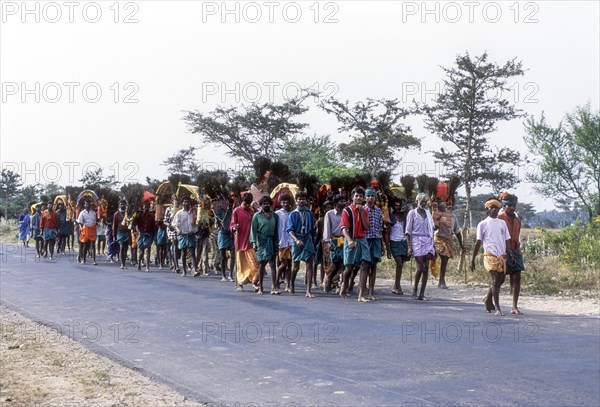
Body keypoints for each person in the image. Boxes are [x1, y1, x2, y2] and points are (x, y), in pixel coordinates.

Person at [470, 197, 511, 316]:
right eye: (492, 208)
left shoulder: (502, 223)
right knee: (494, 279)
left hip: (501, 255)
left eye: (496, 208)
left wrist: (509, 254)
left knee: (501, 280)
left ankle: (488, 298)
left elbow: (507, 240)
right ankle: (498, 308)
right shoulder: (482, 224)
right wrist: (472, 259)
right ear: (487, 210)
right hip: (489, 255)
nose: (494, 210)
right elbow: (478, 242)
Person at [339, 187, 371, 302]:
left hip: (362, 239)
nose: (358, 198)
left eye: (361, 196)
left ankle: (361, 294)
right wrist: (349, 240)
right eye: (356, 196)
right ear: (352, 197)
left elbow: (367, 227)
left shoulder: (364, 211)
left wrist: (362, 212)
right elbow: (344, 228)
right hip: (351, 239)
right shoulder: (347, 211)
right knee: (349, 267)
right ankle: (344, 286)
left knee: (364, 264)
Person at [498, 193, 525, 315]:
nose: (512, 208)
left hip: (515, 249)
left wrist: (518, 249)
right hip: (503, 249)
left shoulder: (518, 219)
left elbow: (517, 235)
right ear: (504, 206)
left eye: (513, 205)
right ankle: (489, 297)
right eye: (509, 205)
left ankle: (514, 306)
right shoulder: (499, 218)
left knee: (517, 275)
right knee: (500, 278)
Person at [405, 193, 435, 300]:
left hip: (427, 240)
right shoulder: (412, 213)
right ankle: (414, 290)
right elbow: (408, 231)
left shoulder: (428, 213)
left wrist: (433, 244)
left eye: (425, 201)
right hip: (416, 241)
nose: (423, 203)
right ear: (417, 201)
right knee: (420, 267)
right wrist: (409, 246)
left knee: (426, 268)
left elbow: (431, 229)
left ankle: (422, 294)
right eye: (421, 201)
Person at [287, 191, 316, 298]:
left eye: (303, 199)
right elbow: (289, 230)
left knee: (309, 265)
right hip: (297, 241)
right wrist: (296, 240)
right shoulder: (293, 214)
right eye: (299, 199)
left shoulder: (309, 213)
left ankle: (308, 290)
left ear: (306, 200)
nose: (301, 201)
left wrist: (313, 242)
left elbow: (313, 230)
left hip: (307, 240)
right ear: (296, 200)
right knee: (296, 267)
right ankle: (292, 285)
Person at [250, 196, 279, 295]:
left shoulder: (275, 216)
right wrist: (253, 242)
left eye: (268, 203)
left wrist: (277, 242)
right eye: (264, 203)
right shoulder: (256, 216)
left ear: (270, 204)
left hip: (272, 241)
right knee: (262, 264)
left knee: (273, 264)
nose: (266, 205)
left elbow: (276, 231)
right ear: (261, 205)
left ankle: (274, 288)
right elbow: (253, 230)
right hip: (261, 242)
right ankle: (261, 288)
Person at [231, 192, 259, 291]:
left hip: (251, 242)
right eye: (246, 202)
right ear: (242, 201)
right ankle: (240, 284)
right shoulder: (236, 211)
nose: (247, 204)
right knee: (241, 265)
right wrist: (235, 228)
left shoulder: (253, 210)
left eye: (249, 202)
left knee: (255, 265)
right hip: (240, 241)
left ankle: (254, 282)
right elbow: (232, 225)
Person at [433, 200, 464, 289]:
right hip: (438, 238)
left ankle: (441, 280)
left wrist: (461, 244)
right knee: (436, 257)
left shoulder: (453, 217)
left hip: (448, 239)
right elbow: (434, 227)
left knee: (445, 259)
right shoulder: (438, 214)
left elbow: (457, 231)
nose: (449, 207)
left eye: (451, 205)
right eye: (447, 205)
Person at [322, 194, 346, 293]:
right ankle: (328, 282)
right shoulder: (330, 214)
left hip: (344, 240)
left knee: (345, 264)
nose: (343, 203)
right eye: (341, 201)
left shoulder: (346, 213)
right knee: (335, 264)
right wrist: (328, 242)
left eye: (344, 201)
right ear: (336, 203)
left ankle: (341, 286)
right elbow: (327, 228)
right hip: (334, 241)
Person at [385, 198, 409, 295]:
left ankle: (396, 285)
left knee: (401, 264)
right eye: (396, 205)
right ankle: (397, 285)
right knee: (399, 263)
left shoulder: (404, 216)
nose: (398, 207)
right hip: (394, 242)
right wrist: (388, 247)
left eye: (399, 205)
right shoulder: (390, 216)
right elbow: (386, 232)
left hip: (403, 242)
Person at [172, 196, 199, 277]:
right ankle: (184, 271)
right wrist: (178, 230)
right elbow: (175, 224)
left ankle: (194, 270)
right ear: (182, 203)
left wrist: (197, 228)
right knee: (183, 252)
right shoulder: (179, 213)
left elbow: (196, 222)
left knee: (192, 252)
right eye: (185, 202)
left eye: (187, 202)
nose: (186, 203)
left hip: (191, 234)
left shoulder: (193, 212)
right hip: (183, 234)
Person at [275, 194, 294, 291]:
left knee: (290, 265)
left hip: (291, 242)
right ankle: (277, 280)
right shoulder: (277, 213)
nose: (285, 204)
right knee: (283, 264)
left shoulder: (293, 213)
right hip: (281, 242)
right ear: (280, 203)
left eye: (287, 202)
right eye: (283, 202)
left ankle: (288, 285)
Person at [214, 197, 235, 282]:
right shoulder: (217, 213)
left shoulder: (230, 212)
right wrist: (219, 224)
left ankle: (230, 274)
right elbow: (216, 225)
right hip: (222, 234)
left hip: (229, 234)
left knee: (233, 254)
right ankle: (223, 275)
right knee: (223, 256)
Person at [136, 200, 156, 273]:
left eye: (147, 207)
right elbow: (135, 223)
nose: (146, 209)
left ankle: (147, 266)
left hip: (148, 234)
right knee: (141, 251)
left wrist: (153, 236)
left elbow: (153, 227)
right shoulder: (139, 216)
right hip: (141, 233)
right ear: (143, 207)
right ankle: (139, 264)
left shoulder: (151, 216)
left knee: (148, 249)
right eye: (145, 207)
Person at [77, 199, 98, 265]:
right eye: (86, 204)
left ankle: (94, 260)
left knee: (93, 245)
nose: (87, 205)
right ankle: (84, 259)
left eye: (88, 204)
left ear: (90, 205)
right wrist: (80, 228)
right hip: (85, 229)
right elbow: (80, 222)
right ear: (84, 205)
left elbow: (96, 221)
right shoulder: (82, 213)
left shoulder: (94, 213)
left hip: (93, 229)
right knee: (86, 245)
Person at [164, 195, 182, 273]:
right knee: (174, 246)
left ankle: (175, 262)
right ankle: (177, 266)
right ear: (172, 201)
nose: (176, 202)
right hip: (171, 229)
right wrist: (169, 225)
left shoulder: (181, 209)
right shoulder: (169, 209)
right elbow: (165, 220)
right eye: (175, 200)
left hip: (179, 229)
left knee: (179, 248)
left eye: (177, 200)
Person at [112, 199, 131, 270]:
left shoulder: (128, 213)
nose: (123, 205)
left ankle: (124, 263)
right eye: (121, 204)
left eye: (124, 204)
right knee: (122, 246)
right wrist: (114, 236)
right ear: (119, 205)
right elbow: (114, 226)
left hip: (127, 232)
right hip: (120, 232)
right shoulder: (116, 214)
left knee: (126, 248)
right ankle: (122, 264)